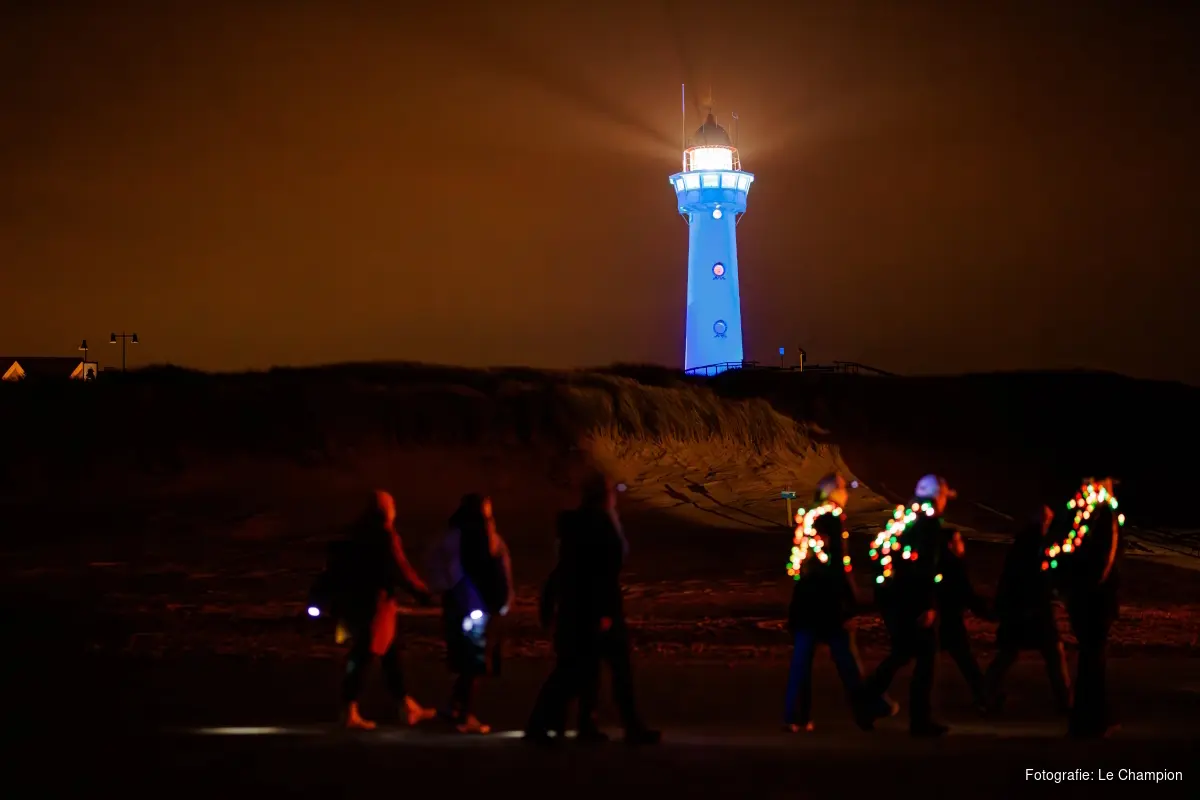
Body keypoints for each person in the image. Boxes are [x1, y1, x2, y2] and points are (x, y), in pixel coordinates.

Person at [525, 473, 659, 745]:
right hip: (595, 608)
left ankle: (578, 724)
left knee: (582, 668)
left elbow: (566, 569)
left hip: (577, 609)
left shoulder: (578, 527)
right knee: (603, 668)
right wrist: (605, 612)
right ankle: (618, 725)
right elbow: (601, 572)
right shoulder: (600, 525)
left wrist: (550, 604)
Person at [318, 490, 437, 731]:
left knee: (390, 654)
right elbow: (400, 568)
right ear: (386, 510)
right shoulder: (384, 535)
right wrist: (423, 593)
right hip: (376, 606)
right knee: (363, 655)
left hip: (355, 603)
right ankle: (349, 710)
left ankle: (405, 706)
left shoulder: (355, 534)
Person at [783, 474, 893, 732]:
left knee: (802, 664)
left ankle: (795, 715)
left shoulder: (807, 518)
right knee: (848, 662)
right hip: (829, 604)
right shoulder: (832, 519)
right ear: (833, 492)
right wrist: (850, 604)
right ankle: (867, 708)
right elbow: (838, 567)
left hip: (805, 602)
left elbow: (798, 565)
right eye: (843, 489)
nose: (846, 494)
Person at [856, 474, 954, 737]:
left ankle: (865, 700)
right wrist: (927, 604)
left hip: (894, 598)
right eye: (944, 496)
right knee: (926, 659)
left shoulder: (905, 518)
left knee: (902, 653)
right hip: (912, 602)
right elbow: (925, 567)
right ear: (937, 497)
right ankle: (919, 720)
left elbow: (885, 555)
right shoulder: (928, 523)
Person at [434, 494, 513, 734]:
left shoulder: (479, 536)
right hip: (474, 608)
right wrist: (476, 604)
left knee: (473, 661)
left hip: (480, 607)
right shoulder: (467, 538)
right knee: (474, 662)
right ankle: (464, 715)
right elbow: (459, 574)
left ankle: (455, 706)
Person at [984, 505, 1071, 715]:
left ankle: (985, 693)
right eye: (1046, 519)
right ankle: (1066, 702)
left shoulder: (1026, 541)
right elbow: (1034, 576)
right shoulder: (1035, 543)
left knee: (1010, 652)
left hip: (1021, 607)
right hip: (1031, 608)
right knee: (1052, 651)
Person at [1054, 478, 1122, 738]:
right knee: (1094, 660)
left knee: (1089, 658)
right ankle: (1091, 721)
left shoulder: (1078, 512)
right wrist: (1097, 588)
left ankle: (1086, 719)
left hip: (1080, 597)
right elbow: (1105, 558)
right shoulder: (1102, 512)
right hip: (1094, 599)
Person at [935, 529, 993, 712]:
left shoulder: (942, 563)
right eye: (959, 540)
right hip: (948, 619)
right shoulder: (954, 565)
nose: (963, 544)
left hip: (943, 618)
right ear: (950, 545)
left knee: (963, 659)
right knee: (965, 659)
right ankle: (984, 696)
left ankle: (984, 694)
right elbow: (966, 593)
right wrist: (987, 613)